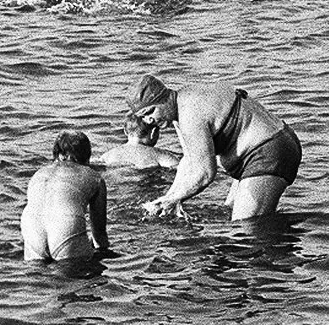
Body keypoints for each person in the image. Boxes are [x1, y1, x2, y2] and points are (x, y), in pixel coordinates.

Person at [128, 75, 301, 221]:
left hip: (268, 152)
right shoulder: (182, 104)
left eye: (150, 112)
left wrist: (174, 199)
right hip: (269, 146)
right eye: (143, 117)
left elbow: (205, 173)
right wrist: (166, 198)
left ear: (163, 98)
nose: (149, 120)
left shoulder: (190, 113)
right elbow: (189, 160)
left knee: (244, 230)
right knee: (230, 211)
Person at [21, 131, 111, 263]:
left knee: (37, 278)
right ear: (87, 155)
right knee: (80, 277)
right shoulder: (94, 176)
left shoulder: (39, 173)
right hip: (65, 224)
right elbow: (99, 235)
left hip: (31, 226)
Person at [100, 112, 180, 171]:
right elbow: (180, 166)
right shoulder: (159, 154)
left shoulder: (108, 155)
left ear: (125, 131)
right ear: (153, 133)